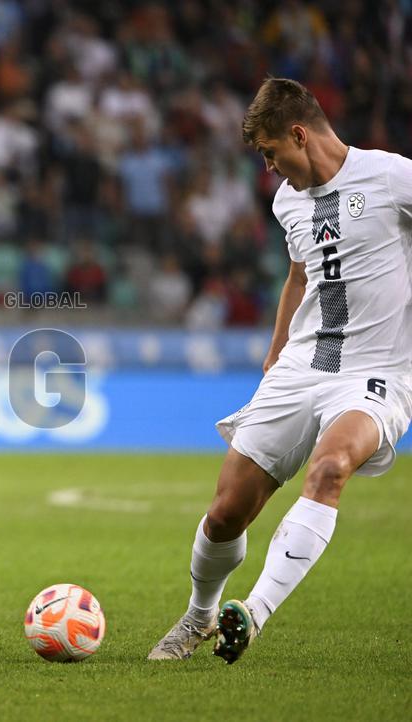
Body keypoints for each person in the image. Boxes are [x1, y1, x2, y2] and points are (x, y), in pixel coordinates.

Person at [148, 78, 412, 664]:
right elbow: (298, 276)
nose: (268, 168)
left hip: (374, 373)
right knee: (225, 514)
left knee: (332, 467)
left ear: (300, 133)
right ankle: (198, 616)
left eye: (271, 152)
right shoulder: (287, 200)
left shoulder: (394, 178)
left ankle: (254, 612)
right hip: (300, 366)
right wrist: (273, 356)